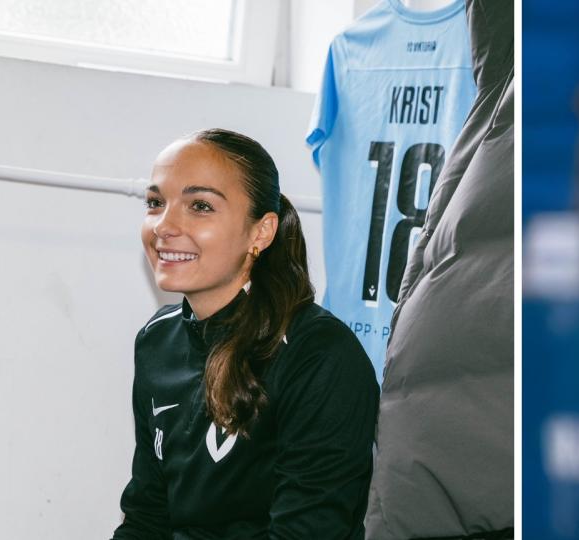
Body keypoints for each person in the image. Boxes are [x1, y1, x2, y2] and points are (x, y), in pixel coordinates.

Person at [112, 128, 379, 539]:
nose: (163, 225)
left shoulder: (320, 356)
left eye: (200, 206)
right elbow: (147, 515)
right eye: (155, 203)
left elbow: (307, 531)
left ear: (262, 232)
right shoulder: (156, 340)